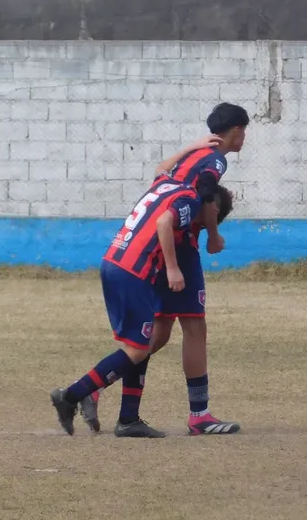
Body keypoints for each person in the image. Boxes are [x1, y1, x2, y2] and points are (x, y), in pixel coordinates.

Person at [79, 102, 249, 437]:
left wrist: (187, 148)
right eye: (245, 132)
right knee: (194, 328)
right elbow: (206, 196)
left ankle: (97, 388)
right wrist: (212, 234)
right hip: (178, 240)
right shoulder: (217, 159)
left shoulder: (194, 153)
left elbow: (160, 171)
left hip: (158, 244)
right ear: (237, 130)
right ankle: (199, 415)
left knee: (155, 335)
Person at [50, 175, 234, 438]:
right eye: (206, 225)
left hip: (115, 261)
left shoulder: (166, 185)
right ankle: (73, 394)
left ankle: (128, 418)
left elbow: (162, 174)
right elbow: (164, 223)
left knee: (143, 342)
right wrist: (172, 268)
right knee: (138, 350)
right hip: (133, 272)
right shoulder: (191, 200)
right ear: (212, 208)